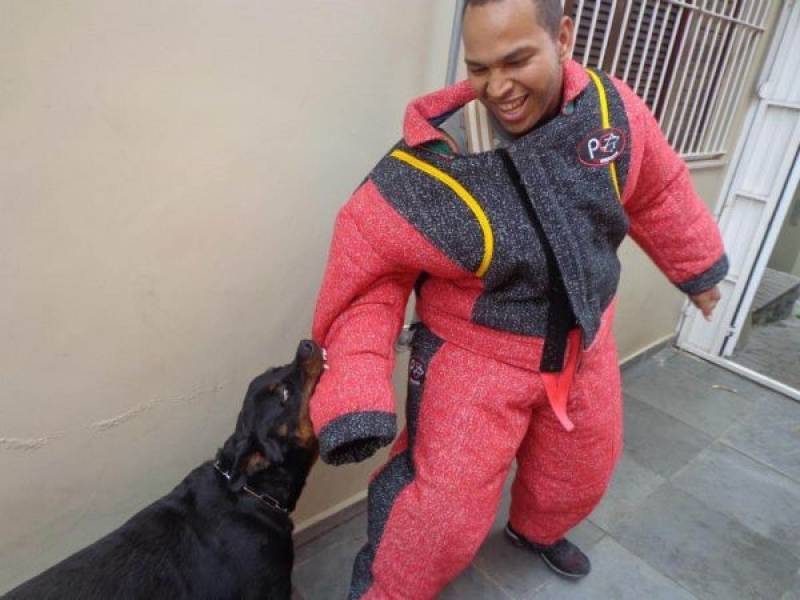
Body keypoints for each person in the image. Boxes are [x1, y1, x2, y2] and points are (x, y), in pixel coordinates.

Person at [309, 0, 726, 598]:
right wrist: (354, 392)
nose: (497, 87)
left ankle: (537, 530)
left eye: (516, 60)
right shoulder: (434, 163)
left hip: (587, 337)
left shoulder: (612, 113)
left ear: (562, 36)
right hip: (475, 355)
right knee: (441, 514)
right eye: (479, 68)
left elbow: (658, 192)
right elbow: (367, 278)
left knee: (582, 466)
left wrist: (699, 269)